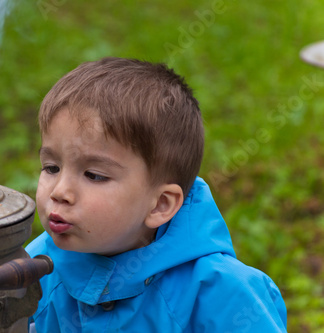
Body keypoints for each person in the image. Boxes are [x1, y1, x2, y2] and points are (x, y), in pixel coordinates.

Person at [26, 57, 287, 332]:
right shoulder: (37, 267)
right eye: (51, 167)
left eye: (94, 175)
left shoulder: (224, 296)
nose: (59, 192)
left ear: (160, 205)